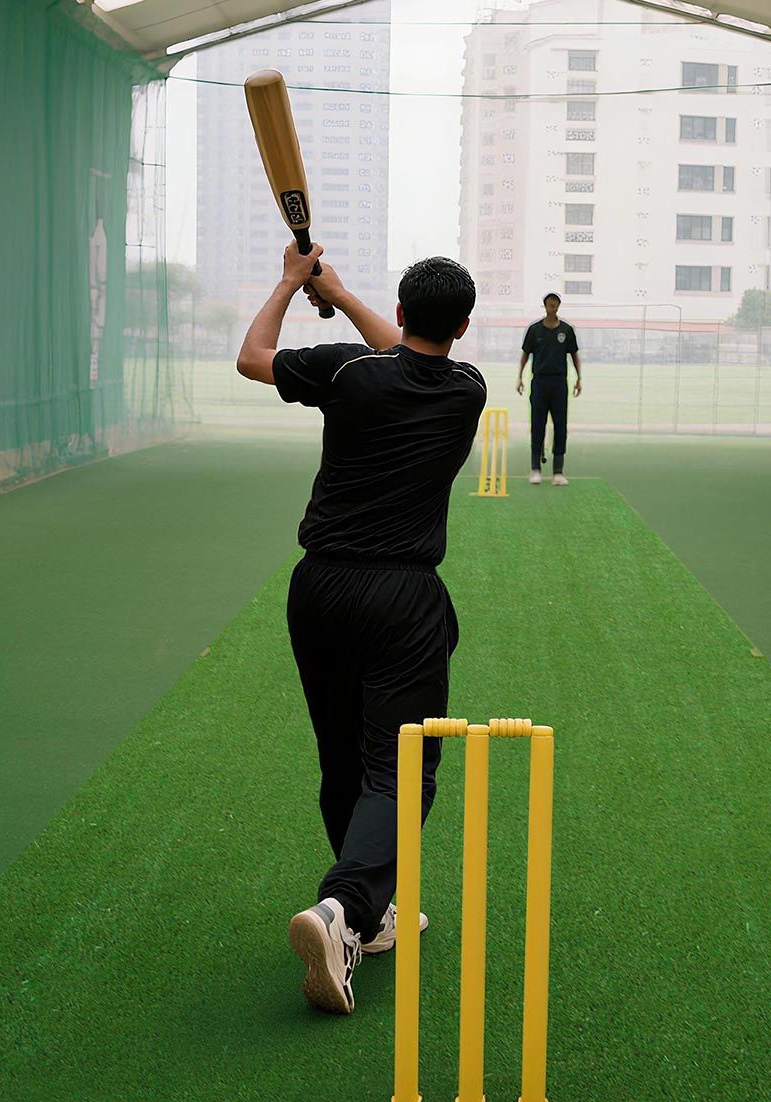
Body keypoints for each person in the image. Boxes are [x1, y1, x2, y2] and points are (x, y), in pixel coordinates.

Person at [236, 245, 485, 1014]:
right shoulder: (468, 390)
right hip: (402, 598)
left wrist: (293, 284)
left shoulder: (347, 372)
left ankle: (367, 919)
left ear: (402, 312)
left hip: (318, 589)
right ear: (464, 326)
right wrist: (339, 296)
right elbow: (409, 355)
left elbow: (252, 358)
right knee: (401, 768)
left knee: (342, 755)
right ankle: (344, 907)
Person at [516, 292, 582, 485]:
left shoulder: (567, 330)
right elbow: (525, 355)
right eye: (550, 305)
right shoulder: (534, 330)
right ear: (545, 306)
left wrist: (579, 379)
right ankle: (535, 469)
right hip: (539, 382)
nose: (553, 308)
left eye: (555, 305)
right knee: (538, 424)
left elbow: (574, 356)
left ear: (558, 306)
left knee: (560, 425)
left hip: (559, 383)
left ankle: (558, 471)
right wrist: (520, 377)